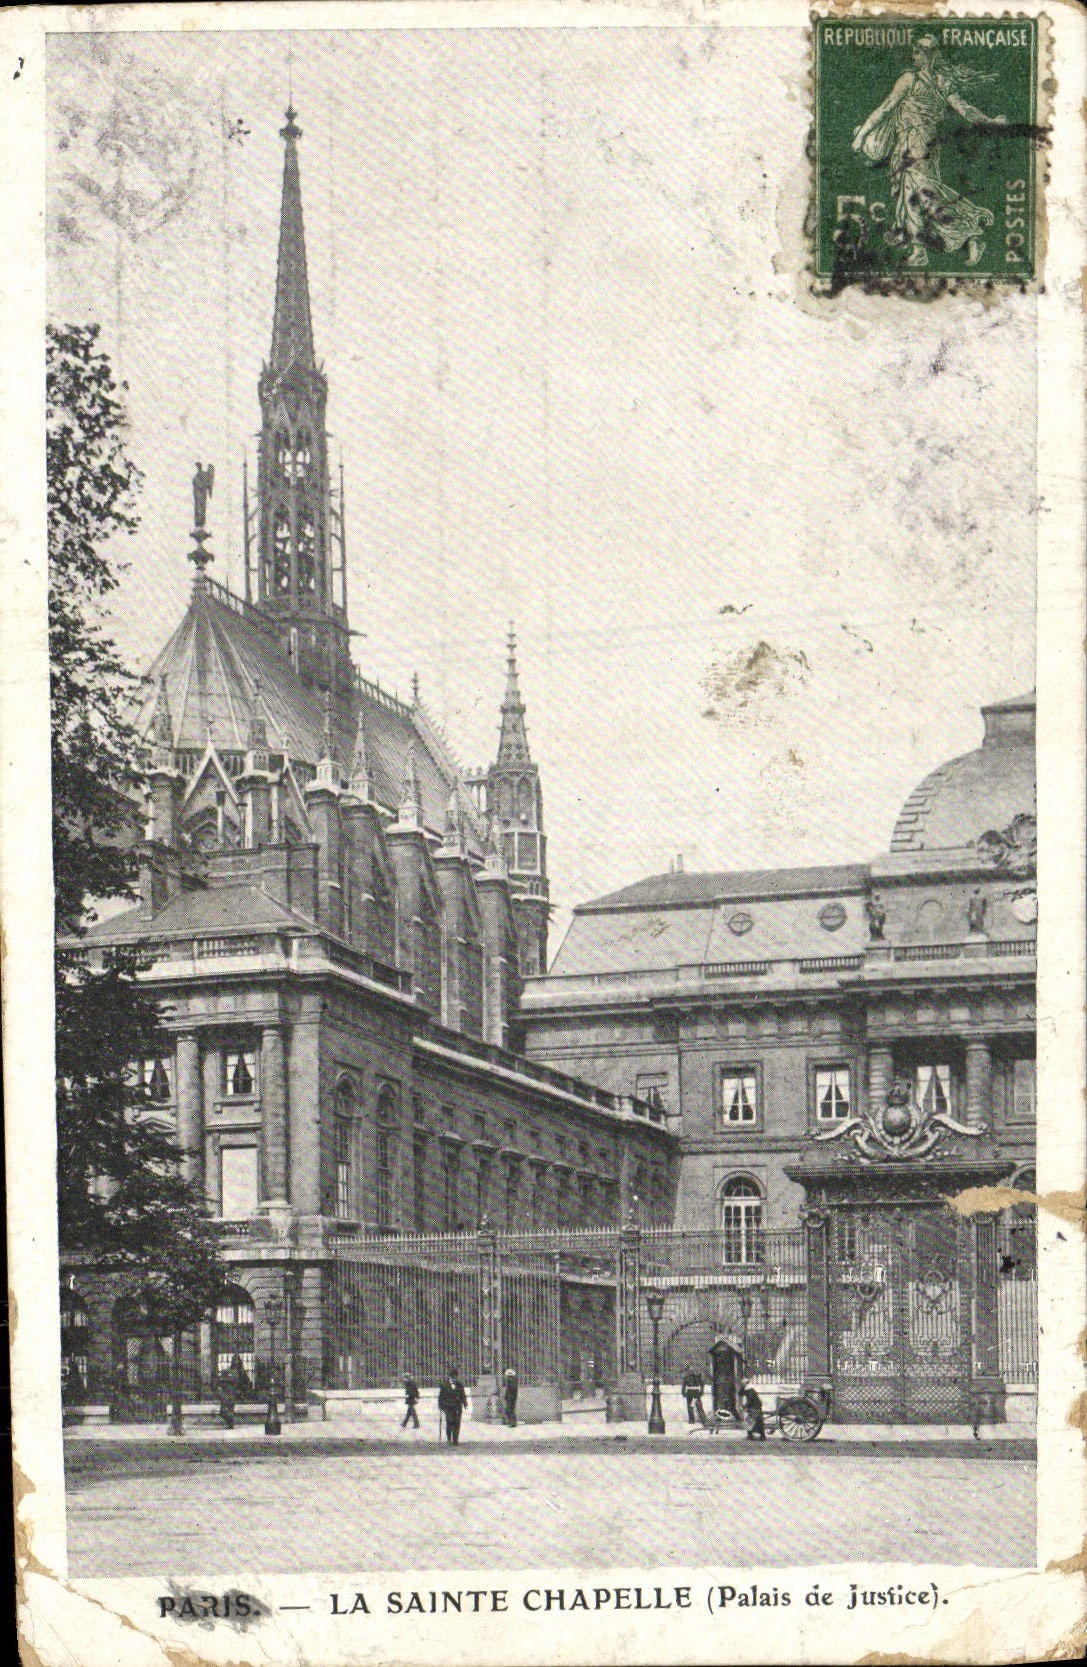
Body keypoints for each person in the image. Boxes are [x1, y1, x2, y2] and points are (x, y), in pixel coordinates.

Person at [851, 35, 1008, 270]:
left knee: (921, 194)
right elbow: (965, 109)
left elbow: (885, 108)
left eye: (917, 52)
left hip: (915, 143)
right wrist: (989, 122)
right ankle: (921, 250)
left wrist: (862, 135)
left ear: (927, 55)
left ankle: (968, 233)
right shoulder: (942, 81)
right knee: (915, 194)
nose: (913, 56)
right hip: (924, 144)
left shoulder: (909, 79)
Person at [438, 1366, 468, 1445]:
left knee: (457, 1423)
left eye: (456, 1377)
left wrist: (465, 1403)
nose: (454, 1378)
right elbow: (441, 1397)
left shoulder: (460, 1385)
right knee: (449, 1422)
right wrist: (441, 1406)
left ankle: (455, 1440)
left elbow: (463, 1395)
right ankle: (449, 1439)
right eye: (453, 1377)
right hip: (448, 1407)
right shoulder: (444, 1385)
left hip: (457, 1407)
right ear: (450, 1377)